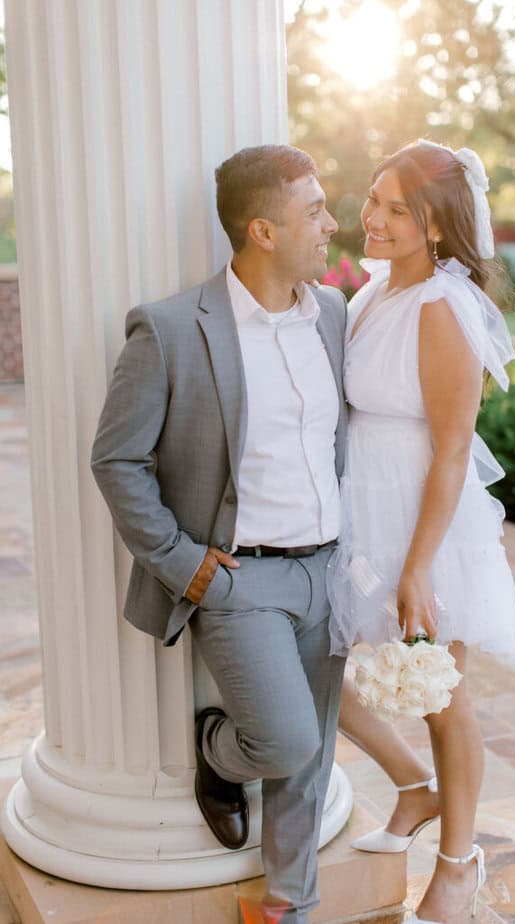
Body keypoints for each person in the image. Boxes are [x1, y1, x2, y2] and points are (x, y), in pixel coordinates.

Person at [91, 144, 347, 924]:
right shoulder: (171, 329)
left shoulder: (333, 315)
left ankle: (287, 907)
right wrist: (181, 563)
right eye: (314, 211)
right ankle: (215, 751)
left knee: (315, 758)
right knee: (286, 744)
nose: (331, 226)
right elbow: (116, 458)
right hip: (240, 581)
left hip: (328, 569)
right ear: (263, 230)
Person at [327, 139, 515, 924]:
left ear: (437, 225)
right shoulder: (375, 289)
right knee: (321, 670)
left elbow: (451, 449)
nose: (371, 218)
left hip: (424, 518)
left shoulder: (443, 307)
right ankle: (414, 788)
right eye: (373, 199)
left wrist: (418, 567)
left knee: (443, 694)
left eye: (395, 209)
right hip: (359, 508)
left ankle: (459, 862)